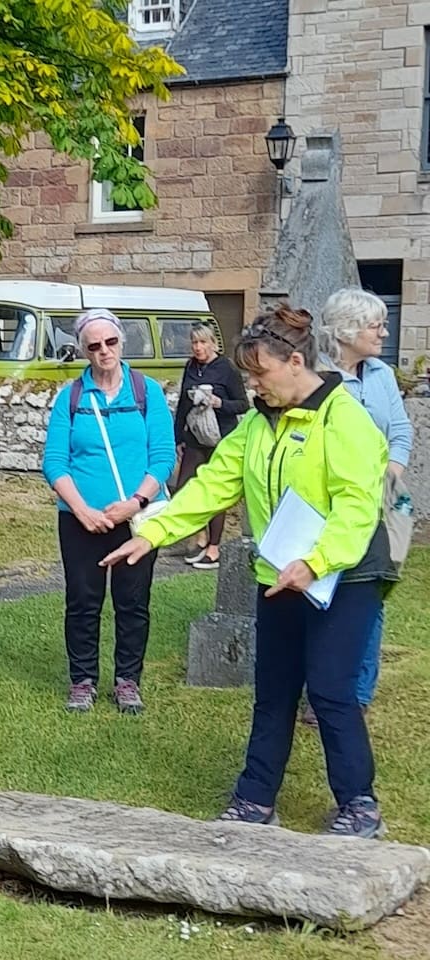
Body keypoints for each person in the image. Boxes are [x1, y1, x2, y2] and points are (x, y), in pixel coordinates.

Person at [102, 305, 392, 838]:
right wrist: (152, 534)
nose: (253, 385)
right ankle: (255, 798)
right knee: (274, 691)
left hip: (344, 577)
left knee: (329, 690)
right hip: (278, 573)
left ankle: (358, 803)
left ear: (296, 361)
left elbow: (357, 505)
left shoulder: (346, 419)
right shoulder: (258, 424)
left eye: (260, 374)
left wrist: (317, 561)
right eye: (250, 376)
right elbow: (214, 485)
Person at [41, 308, 173, 714]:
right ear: (83, 351)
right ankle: (83, 680)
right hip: (81, 518)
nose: (104, 352)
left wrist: (135, 502)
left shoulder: (146, 392)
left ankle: (127, 680)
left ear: (121, 342)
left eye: (110, 342)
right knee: (83, 600)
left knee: (133, 601)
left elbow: (163, 456)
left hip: (135, 518)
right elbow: (54, 461)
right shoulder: (72, 397)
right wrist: (81, 510)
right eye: (94, 346)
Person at [320, 287, 413, 712]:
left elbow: (400, 431)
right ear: (347, 330)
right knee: (324, 592)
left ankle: (357, 692)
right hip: (326, 505)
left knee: (370, 593)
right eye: (377, 325)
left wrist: (390, 472)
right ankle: (321, 687)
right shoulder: (318, 377)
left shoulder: (382, 375)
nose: (384, 332)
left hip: (379, 503)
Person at [172, 323, 249, 570]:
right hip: (195, 436)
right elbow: (183, 404)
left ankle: (214, 548)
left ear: (212, 343)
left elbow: (242, 404)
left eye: (203, 342)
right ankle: (200, 535)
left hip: (220, 437)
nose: (198, 348)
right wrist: (178, 438)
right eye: (194, 343)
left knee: (215, 491)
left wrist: (218, 402)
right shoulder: (191, 366)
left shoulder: (226, 368)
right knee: (183, 488)